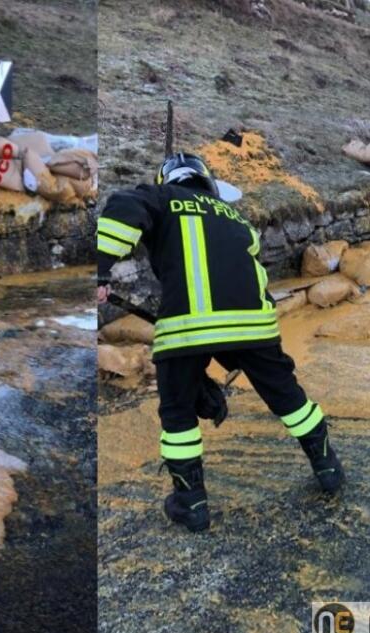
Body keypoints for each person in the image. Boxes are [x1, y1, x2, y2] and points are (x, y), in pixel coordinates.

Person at [96, 152, 344, 533]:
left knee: (177, 413)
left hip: (185, 327)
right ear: (206, 182)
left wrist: (101, 270)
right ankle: (327, 466)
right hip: (251, 323)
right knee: (286, 395)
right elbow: (254, 272)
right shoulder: (236, 218)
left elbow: (124, 204)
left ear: (169, 180)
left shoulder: (160, 198)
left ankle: (191, 504)